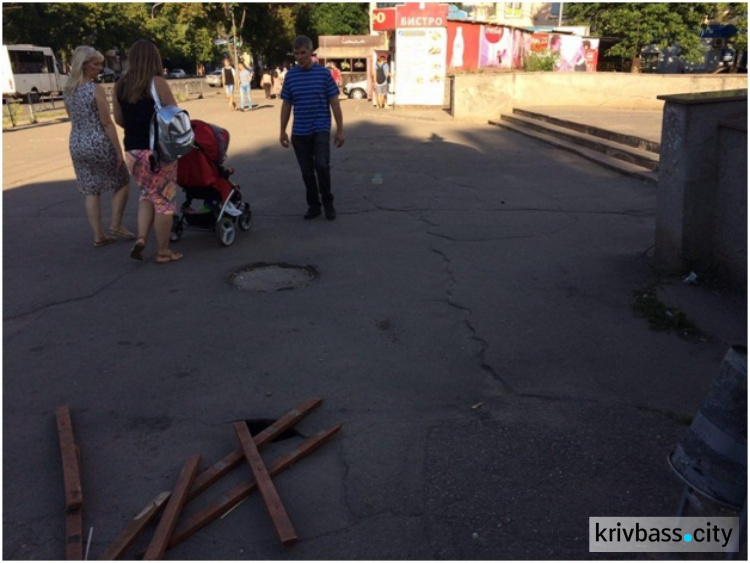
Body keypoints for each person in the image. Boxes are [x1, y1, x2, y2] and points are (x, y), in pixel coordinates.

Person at [113, 39, 183, 264]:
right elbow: (174, 115)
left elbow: (119, 119)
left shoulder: (120, 85)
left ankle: (142, 238)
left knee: (146, 196)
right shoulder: (158, 83)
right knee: (164, 201)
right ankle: (163, 252)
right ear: (154, 58)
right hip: (158, 152)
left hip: (132, 152)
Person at [63, 45, 133, 247]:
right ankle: (116, 224)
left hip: (76, 142)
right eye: (96, 64)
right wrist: (119, 151)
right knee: (122, 181)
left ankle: (98, 235)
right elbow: (106, 122)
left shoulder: (67, 90)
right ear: (84, 65)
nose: (100, 68)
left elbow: (72, 118)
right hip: (98, 141)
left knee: (91, 190)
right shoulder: (95, 89)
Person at [280, 36, 344, 221]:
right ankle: (314, 205)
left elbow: (334, 102)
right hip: (299, 132)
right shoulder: (291, 76)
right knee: (307, 171)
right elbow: (286, 105)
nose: (300, 57)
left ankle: (328, 202)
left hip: (320, 129)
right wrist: (282, 130)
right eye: (297, 53)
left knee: (321, 165)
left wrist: (340, 130)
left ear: (311, 53)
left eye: (303, 53)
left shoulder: (324, 74)